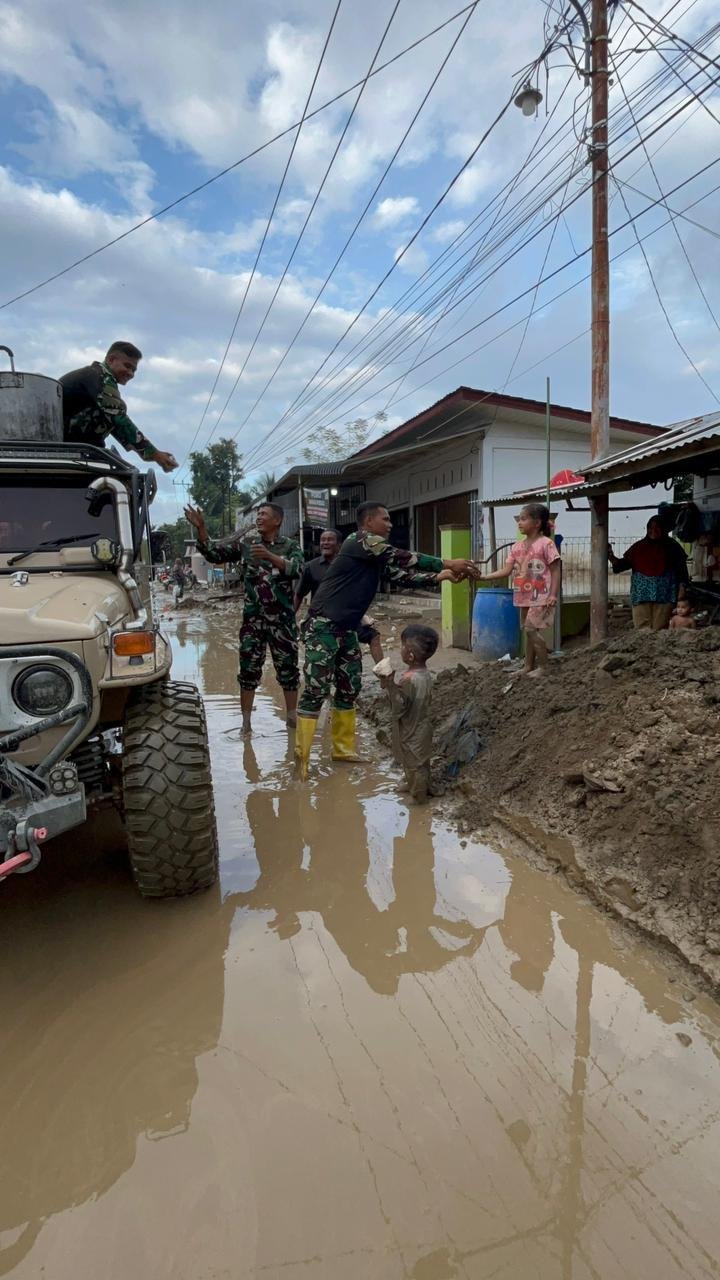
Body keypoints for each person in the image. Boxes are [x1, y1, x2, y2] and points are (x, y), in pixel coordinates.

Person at [295, 500, 476, 777]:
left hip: (347, 629)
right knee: (315, 691)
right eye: (386, 519)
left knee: (349, 688)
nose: (390, 524)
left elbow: (401, 575)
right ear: (369, 522)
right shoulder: (359, 540)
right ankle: (302, 762)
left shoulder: (373, 555)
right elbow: (401, 557)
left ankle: (342, 751)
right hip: (323, 627)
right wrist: (448, 562)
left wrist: (440, 576)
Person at [184, 501, 303, 732]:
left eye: (264, 514)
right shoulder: (247, 545)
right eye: (257, 514)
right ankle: (246, 725)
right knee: (248, 672)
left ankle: (292, 720)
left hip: (282, 623)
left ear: (277, 520)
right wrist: (201, 528)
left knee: (288, 671)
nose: (258, 517)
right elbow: (213, 553)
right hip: (253, 623)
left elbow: (298, 569)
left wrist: (270, 556)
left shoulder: (290, 546)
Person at [59, 342, 177, 472]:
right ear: (111, 360)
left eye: (134, 370)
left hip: (77, 449)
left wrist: (152, 454)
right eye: (127, 366)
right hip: (68, 449)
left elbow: (114, 422)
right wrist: (155, 455)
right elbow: (118, 419)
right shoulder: (99, 376)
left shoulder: (97, 376)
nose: (130, 373)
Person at [478, 502, 561, 675]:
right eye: (519, 519)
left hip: (541, 595)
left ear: (537, 523)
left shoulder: (546, 544)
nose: (519, 523)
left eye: (523, 519)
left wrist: (553, 594)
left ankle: (544, 667)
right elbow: (506, 570)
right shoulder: (517, 547)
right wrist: (484, 577)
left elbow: (555, 570)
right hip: (523, 595)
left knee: (530, 629)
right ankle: (528, 666)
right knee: (529, 631)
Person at [294, 528, 384, 663]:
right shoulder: (311, 567)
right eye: (322, 540)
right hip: (323, 621)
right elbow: (299, 594)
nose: (325, 543)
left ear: (340, 545)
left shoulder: (351, 565)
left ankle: (383, 672)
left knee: (373, 636)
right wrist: (291, 619)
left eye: (330, 540)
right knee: (324, 660)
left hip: (348, 618)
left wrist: (362, 615)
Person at [376, 624, 438, 803]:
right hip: (422, 725)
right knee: (419, 760)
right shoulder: (423, 674)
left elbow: (399, 706)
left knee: (414, 763)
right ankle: (415, 784)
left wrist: (390, 684)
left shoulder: (409, 679)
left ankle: (419, 795)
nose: (400, 650)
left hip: (412, 728)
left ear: (410, 655)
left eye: (402, 646)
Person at [608, 516, 689, 631]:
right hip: (641, 594)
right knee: (642, 629)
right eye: (650, 527)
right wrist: (611, 557)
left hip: (664, 594)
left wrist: (682, 587)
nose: (653, 530)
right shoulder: (639, 547)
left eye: (657, 527)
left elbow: (682, 570)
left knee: (660, 628)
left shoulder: (673, 547)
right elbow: (622, 565)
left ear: (664, 529)